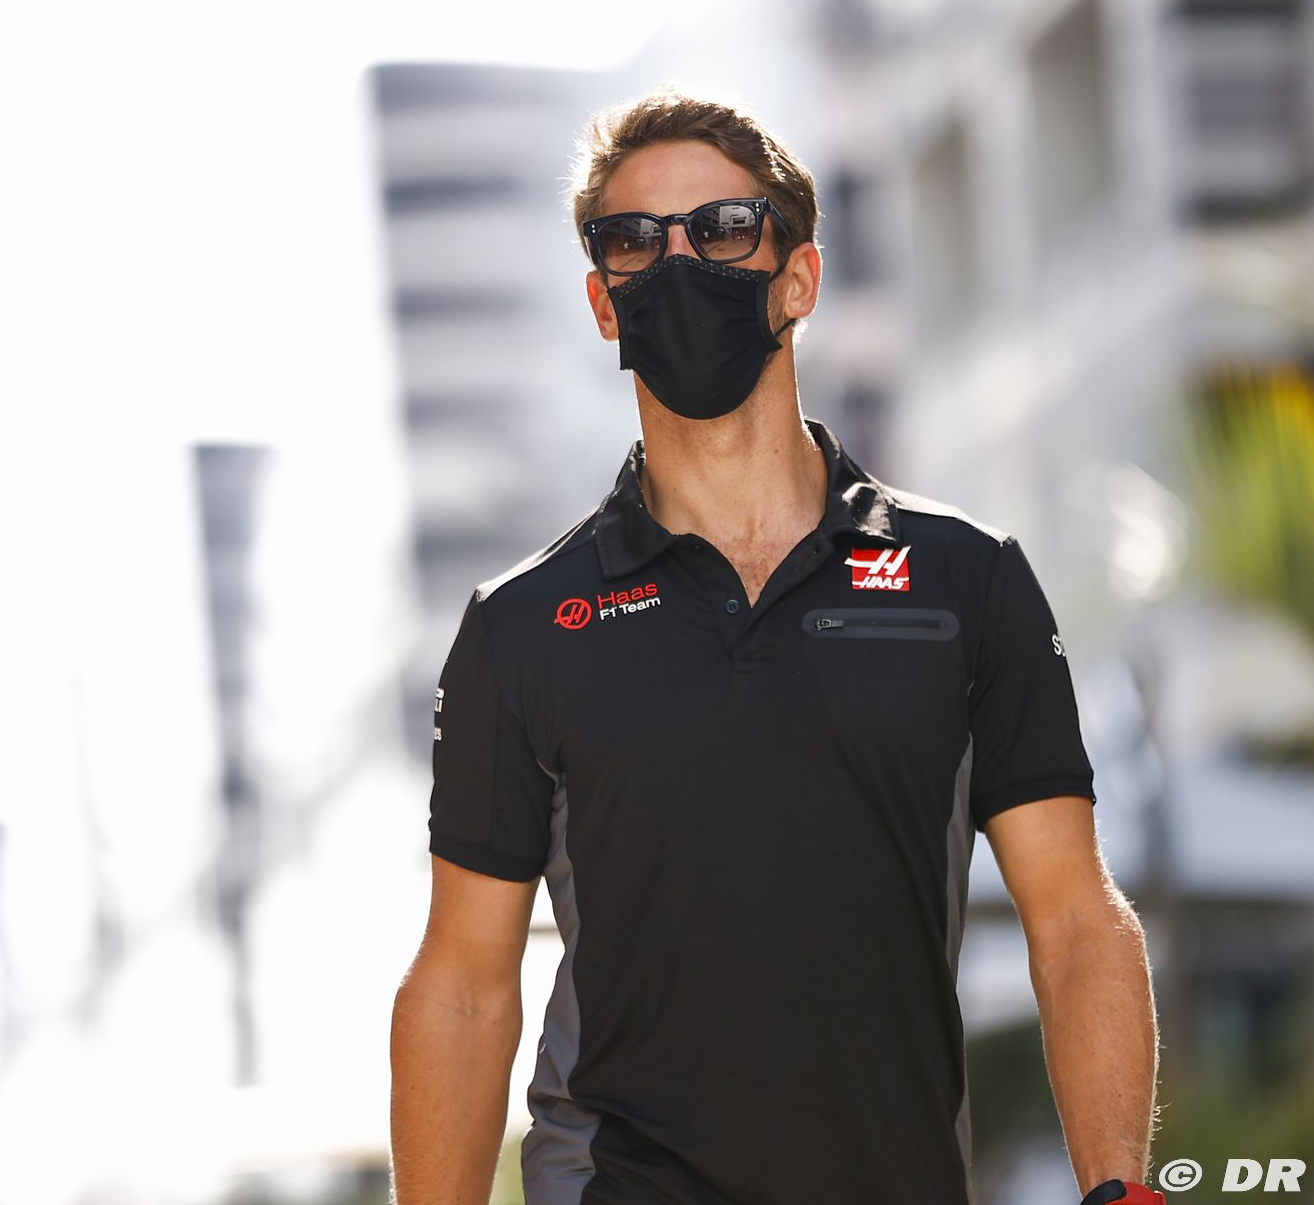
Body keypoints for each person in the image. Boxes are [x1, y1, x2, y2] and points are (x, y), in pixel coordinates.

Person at [388, 89, 1163, 1205]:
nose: (677, 262)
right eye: (633, 240)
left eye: (721, 229)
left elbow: (1077, 920)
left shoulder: (967, 580)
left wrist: (1120, 1189)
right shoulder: (521, 626)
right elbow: (463, 985)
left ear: (799, 279)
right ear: (603, 301)